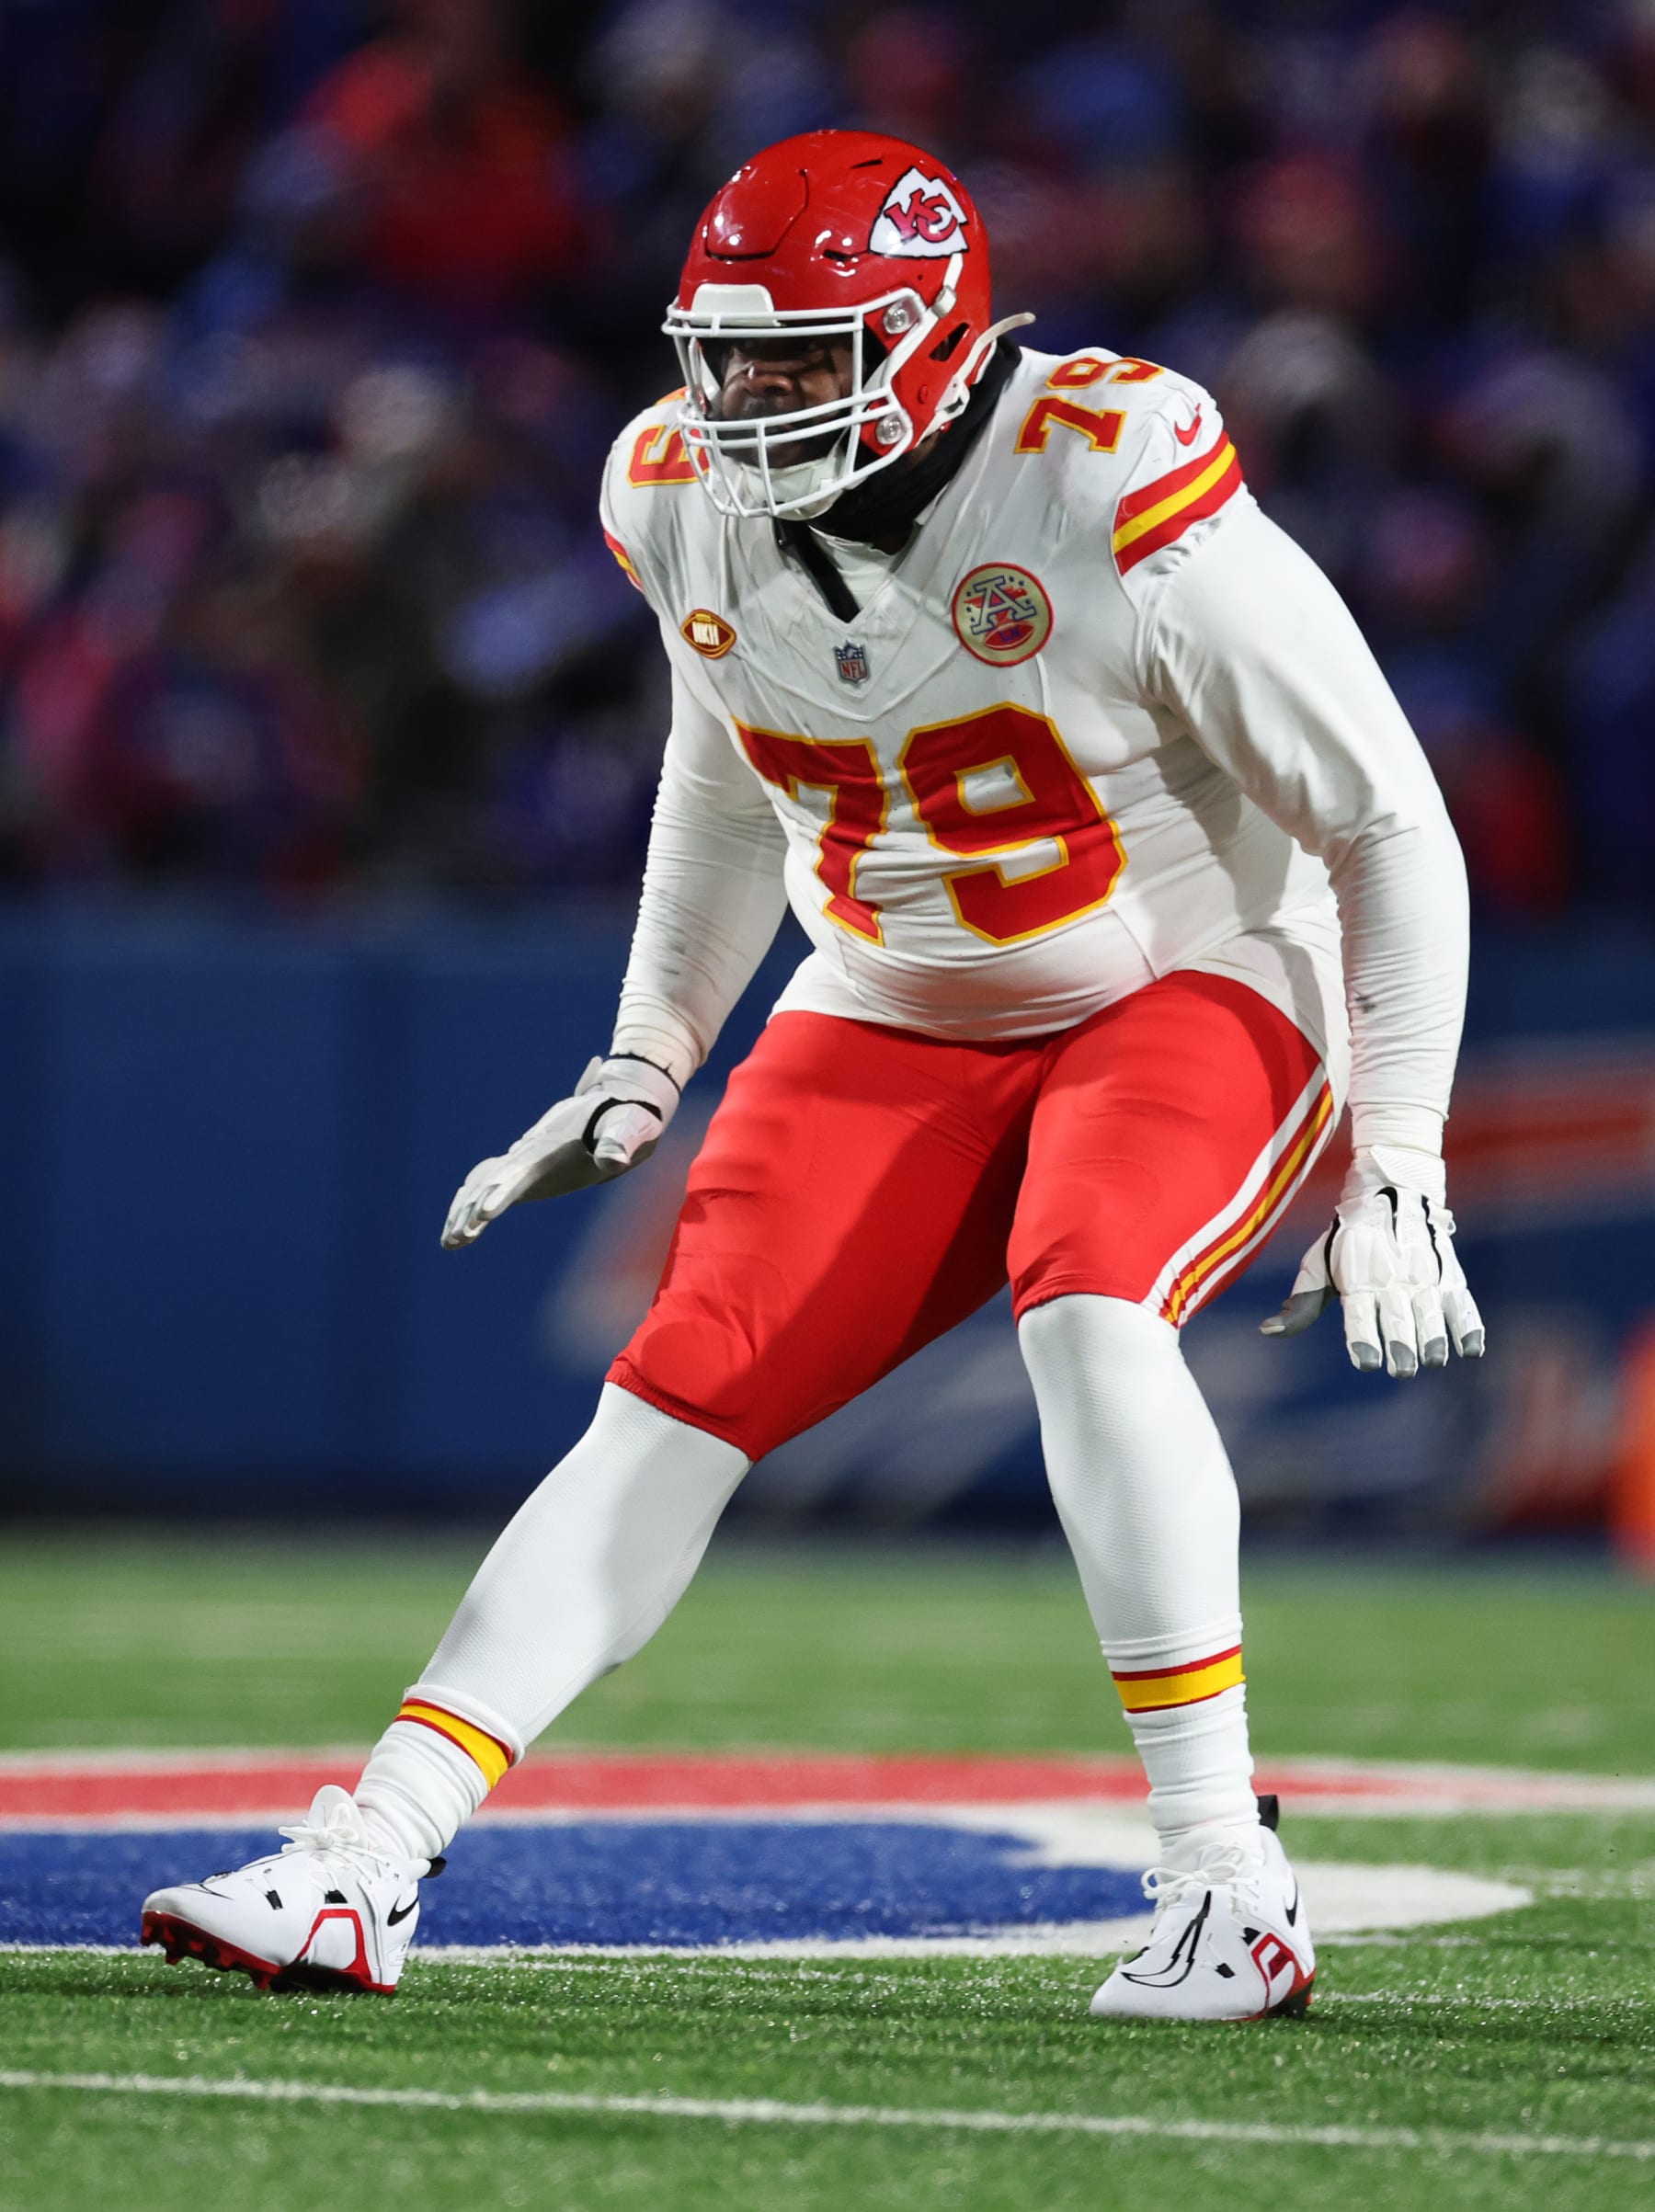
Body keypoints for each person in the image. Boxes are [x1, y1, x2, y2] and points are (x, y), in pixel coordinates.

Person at [141, 130, 1482, 2023]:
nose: (753, 401)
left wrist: (1401, 1151)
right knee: (667, 1402)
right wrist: (648, 1046)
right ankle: (370, 1859)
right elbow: (723, 774)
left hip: (1187, 973)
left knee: (1092, 1307)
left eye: (803, 357)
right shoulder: (671, 491)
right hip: (889, 996)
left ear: (933, 341)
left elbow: (1389, 820)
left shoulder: (1107, 472)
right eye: (732, 357)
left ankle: (1224, 1880)